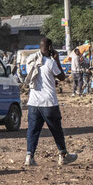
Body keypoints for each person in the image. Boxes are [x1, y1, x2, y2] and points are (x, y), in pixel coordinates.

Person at [23, 37, 77, 167]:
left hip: (33, 103)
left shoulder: (31, 60)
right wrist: (57, 59)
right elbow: (62, 77)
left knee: (32, 131)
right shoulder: (50, 63)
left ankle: (29, 156)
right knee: (56, 130)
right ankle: (63, 155)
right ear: (50, 48)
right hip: (49, 103)